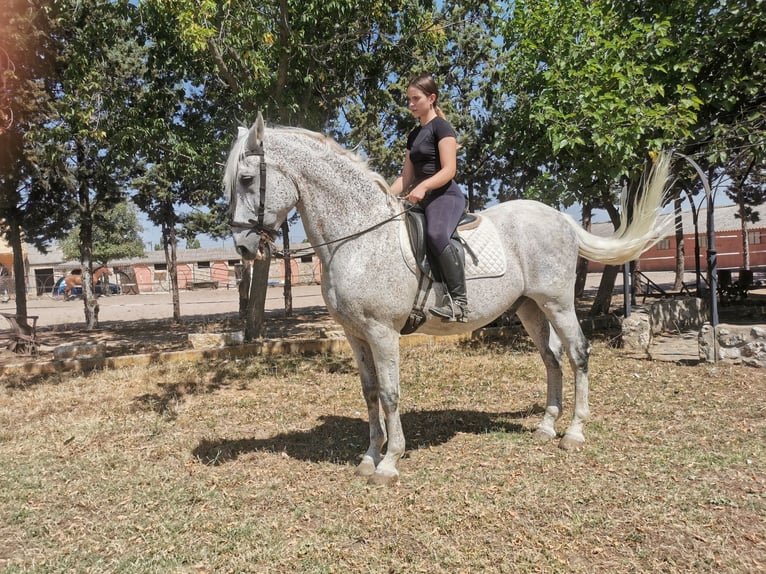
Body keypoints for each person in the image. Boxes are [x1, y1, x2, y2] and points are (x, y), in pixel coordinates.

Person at [391, 73, 469, 321]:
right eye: (409, 100)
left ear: (431, 98)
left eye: (416, 98)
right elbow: (405, 178)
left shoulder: (442, 128)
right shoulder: (413, 136)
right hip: (422, 199)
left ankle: (459, 302)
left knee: (436, 234)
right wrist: (381, 196)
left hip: (445, 196)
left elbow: (449, 170)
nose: (411, 104)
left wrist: (423, 187)